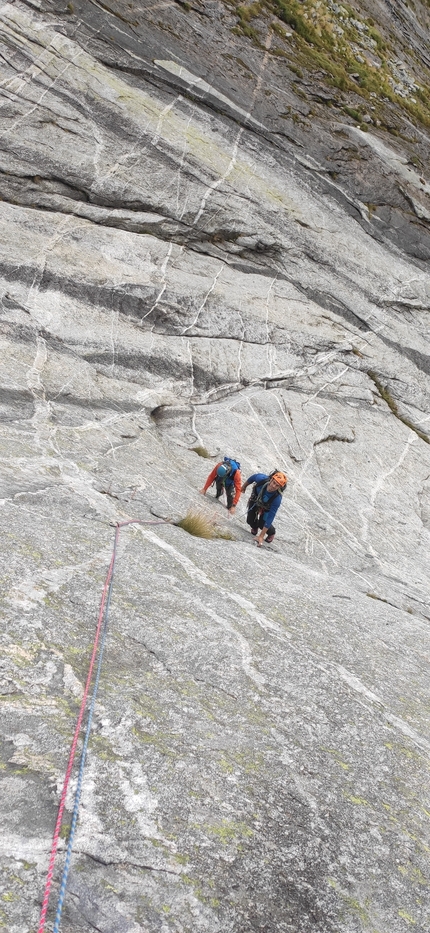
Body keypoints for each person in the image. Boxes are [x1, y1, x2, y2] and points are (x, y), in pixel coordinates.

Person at [241, 470, 287, 547]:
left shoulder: (277, 498)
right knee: (250, 520)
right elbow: (252, 478)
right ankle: (255, 526)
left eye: (277, 485)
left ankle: (271, 532)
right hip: (255, 500)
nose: (273, 486)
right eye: (274, 483)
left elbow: (270, 517)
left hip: (266, 508)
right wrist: (244, 486)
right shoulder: (261, 479)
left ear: (279, 487)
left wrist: (261, 536)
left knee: (263, 524)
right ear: (271, 479)